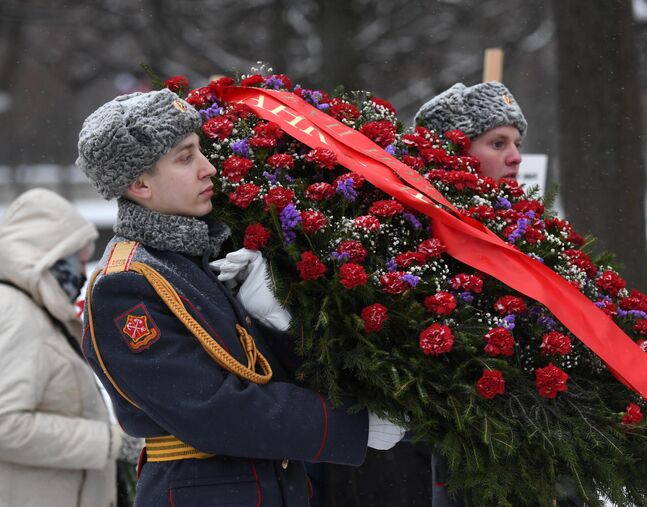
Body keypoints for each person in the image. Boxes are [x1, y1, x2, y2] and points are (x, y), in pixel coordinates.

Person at [75, 88, 404, 506]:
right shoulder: (124, 285)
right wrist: (346, 427)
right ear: (139, 183)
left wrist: (274, 319)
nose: (208, 168)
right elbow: (211, 410)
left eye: (201, 151)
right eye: (185, 156)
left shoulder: (192, 260)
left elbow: (259, 373)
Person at [415, 81, 584, 507]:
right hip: (473, 460)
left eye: (517, 142)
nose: (515, 156)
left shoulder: (525, 229)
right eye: (497, 142)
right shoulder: (424, 238)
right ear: (455, 149)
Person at [0, 188, 139, 507]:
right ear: (49, 257)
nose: (81, 275)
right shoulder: (16, 316)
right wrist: (109, 442)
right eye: (77, 261)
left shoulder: (39, 312)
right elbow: (5, 425)